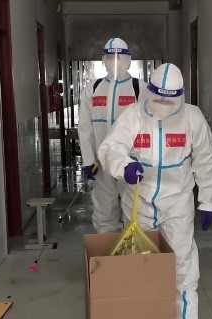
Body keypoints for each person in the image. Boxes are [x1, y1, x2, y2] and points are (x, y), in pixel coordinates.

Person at [97, 63, 212, 319]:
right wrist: (124, 166)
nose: (164, 106)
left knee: (182, 262)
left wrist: (209, 201)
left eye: (170, 100)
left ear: (180, 96)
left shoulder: (192, 118)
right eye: (159, 99)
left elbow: (206, 161)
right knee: (140, 264)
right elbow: (111, 147)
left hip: (177, 203)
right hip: (138, 202)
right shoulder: (133, 115)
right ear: (149, 92)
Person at [78, 38, 143, 233]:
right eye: (110, 57)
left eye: (119, 57)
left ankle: (132, 247)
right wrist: (88, 159)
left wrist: (144, 160)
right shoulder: (94, 87)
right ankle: (107, 248)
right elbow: (85, 127)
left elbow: (149, 126)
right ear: (103, 59)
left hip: (131, 161)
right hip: (102, 163)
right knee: (103, 210)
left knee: (135, 209)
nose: (114, 62)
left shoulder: (140, 88)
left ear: (128, 59)